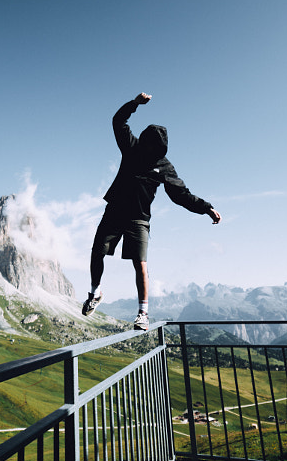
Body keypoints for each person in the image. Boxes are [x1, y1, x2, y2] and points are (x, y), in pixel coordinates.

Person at [82, 93, 221, 331]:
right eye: (148, 147)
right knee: (98, 252)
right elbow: (118, 122)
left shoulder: (164, 166)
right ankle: (95, 293)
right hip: (115, 210)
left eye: (154, 150)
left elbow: (181, 195)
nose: (149, 153)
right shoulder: (132, 147)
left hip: (139, 219)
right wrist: (134, 104)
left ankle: (143, 313)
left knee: (140, 265)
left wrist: (206, 208)